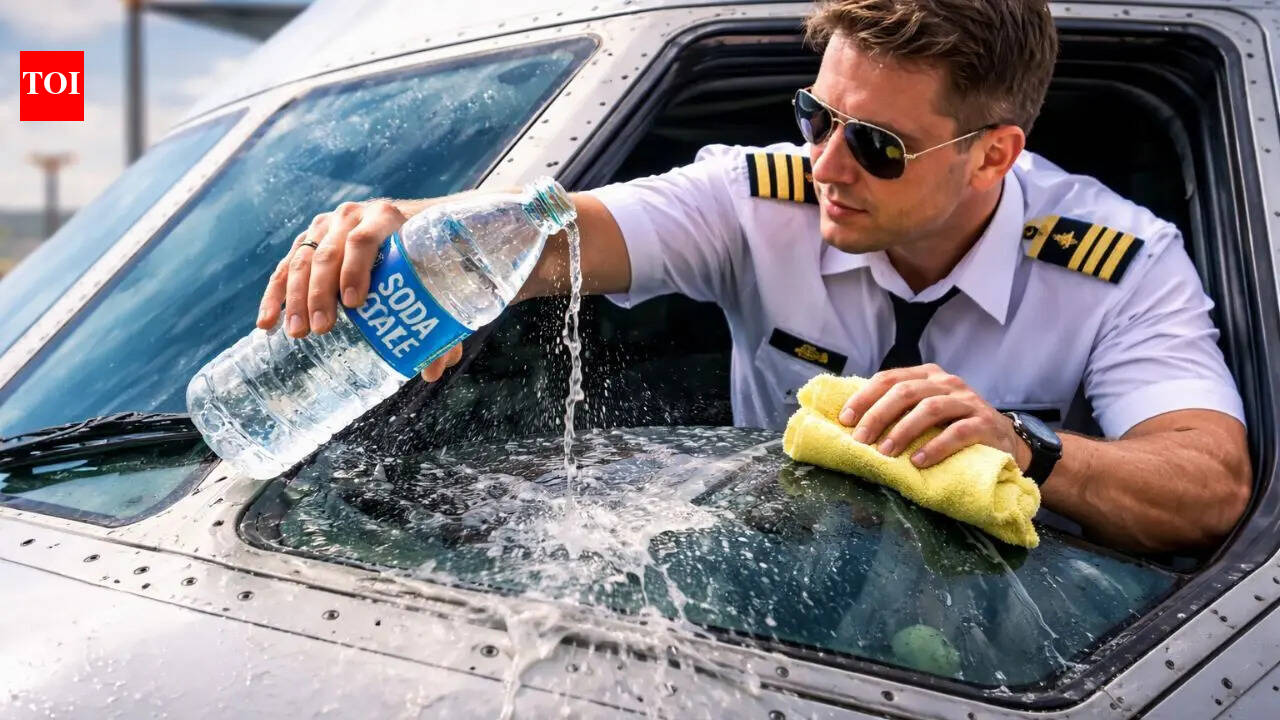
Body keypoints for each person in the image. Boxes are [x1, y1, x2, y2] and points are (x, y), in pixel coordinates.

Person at [255, 0, 1250, 554]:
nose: (825, 165)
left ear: (992, 156)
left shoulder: (1120, 262)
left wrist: (1024, 447)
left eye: (876, 145)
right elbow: (555, 234)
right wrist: (404, 226)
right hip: (764, 568)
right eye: (816, 117)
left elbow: (1207, 484)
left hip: (1006, 620)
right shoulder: (755, 196)